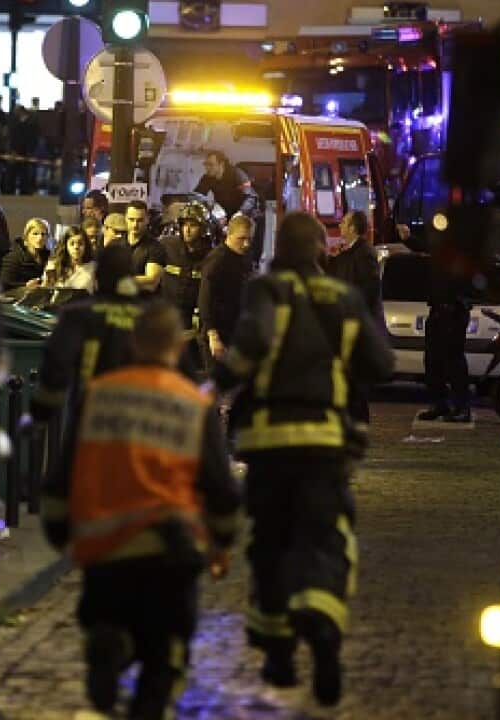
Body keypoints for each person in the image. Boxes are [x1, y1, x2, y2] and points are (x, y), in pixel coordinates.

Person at [213, 212, 394, 707]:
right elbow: (381, 365)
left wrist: (211, 383)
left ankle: (278, 652)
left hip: (271, 446)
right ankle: (324, 629)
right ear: (318, 249)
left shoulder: (268, 291)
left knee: (270, 543)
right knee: (324, 537)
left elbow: (246, 355)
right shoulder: (344, 298)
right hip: (326, 447)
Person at [41, 301, 241, 720]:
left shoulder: (99, 393)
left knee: (103, 614)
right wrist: (222, 541)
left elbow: (64, 470)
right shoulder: (192, 403)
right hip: (168, 549)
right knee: (164, 655)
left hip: (104, 548)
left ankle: (107, 644)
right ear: (175, 346)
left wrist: (60, 529)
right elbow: (220, 488)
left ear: (134, 342)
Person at [31, 245, 143, 422]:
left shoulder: (78, 315)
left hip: (91, 421)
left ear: (97, 277)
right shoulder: (154, 318)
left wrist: (40, 414)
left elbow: (57, 365)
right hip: (142, 423)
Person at [324, 210, 390, 432]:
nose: (340, 225)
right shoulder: (350, 253)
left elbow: (369, 287)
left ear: (353, 228)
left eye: (344, 222)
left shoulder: (364, 253)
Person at [417, 248, 473, 423]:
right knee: (432, 360)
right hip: (437, 310)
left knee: (454, 361)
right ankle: (439, 404)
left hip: (454, 311)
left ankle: (461, 407)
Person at [160, 203, 214, 370]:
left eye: (193, 225)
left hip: (194, 323)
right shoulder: (167, 246)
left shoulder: (211, 255)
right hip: (167, 316)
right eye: (184, 225)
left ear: (203, 228)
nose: (187, 230)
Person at [198, 213, 255, 364]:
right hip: (218, 334)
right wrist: (213, 336)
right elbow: (205, 298)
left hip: (236, 333)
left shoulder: (245, 257)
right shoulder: (217, 259)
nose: (246, 244)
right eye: (241, 239)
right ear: (228, 235)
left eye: (249, 239)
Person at [125, 200, 164, 296]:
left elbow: (151, 282)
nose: (135, 224)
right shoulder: (116, 244)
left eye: (139, 220)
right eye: (131, 219)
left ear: (147, 219)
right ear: (125, 218)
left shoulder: (155, 247)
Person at [1, 218, 51, 289]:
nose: (40, 238)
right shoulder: (14, 257)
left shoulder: (48, 256)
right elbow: (5, 283)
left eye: (43, 234)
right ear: (27, 235)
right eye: (35, 234)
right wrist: (25, 285)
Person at [43, 226, 96, 291]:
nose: (76, 247)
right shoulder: (54, 265)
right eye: (72, 244)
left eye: (80, 243)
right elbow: (45, 290)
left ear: (86, 246)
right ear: (65, 246)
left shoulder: (93, 267)